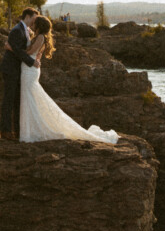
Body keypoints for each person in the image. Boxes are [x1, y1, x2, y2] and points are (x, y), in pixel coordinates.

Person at [16, 16, 119, 144]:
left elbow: (30, 51)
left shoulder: (41, 37)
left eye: (34, 23)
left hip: (30, 70)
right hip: (28, 68)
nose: (32, 25)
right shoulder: (38, 36)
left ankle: (32, 130)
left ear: (39, 25)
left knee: (30, 97)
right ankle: (30, 129)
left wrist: (15, 49)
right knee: (29, 98)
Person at [0, 7, 40, 140]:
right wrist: (31, 62)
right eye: (34, 18)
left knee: (17, 101)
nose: (34, 21)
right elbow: (17, 51)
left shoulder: (25, 30)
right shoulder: (17, 30)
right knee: (9, 100)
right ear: (27, 16)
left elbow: (20, 49)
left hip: (18, 70)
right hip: (10, 69)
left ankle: (18, 131)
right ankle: (6, 131)